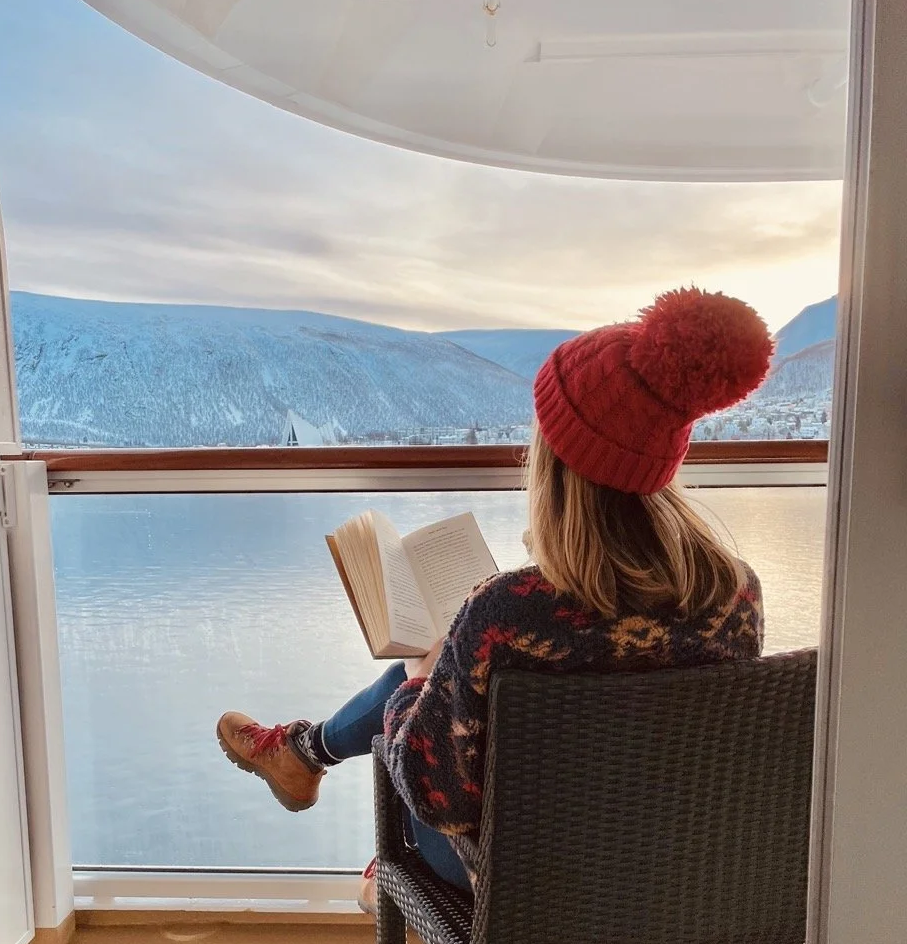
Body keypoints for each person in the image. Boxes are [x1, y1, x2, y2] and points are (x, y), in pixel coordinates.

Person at [217, 286, 773, 912]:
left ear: (556, 468)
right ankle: (304, 754)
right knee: (449, 674)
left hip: (527, 889)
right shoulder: (736, 593)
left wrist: (416, 685)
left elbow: (435, 794)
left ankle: (340, 799)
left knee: (421, 680)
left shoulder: (507, 612)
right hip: (680, 873)